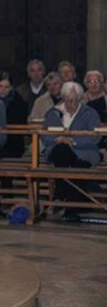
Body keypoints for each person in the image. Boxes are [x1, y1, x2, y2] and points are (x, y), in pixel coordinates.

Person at [42, 82, 101, 214]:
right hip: (58, 152)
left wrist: (73, 142)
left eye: (73, 101)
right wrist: (58, 139)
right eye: (66, 100)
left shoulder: (89, 113)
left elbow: (95, 137)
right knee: (61, 149)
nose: (70, 104)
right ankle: (72, 202)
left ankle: (59, 196)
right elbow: (45, 137)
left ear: (80, 99)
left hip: (83, 152)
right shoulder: (53, 113)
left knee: (74, 161)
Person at [0, 72, 27, 158]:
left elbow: (20, 125)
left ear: (11, 87)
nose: (3, 89)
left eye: (6, 87)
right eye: (0, 86)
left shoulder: (19, 103)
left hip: (13, 142)